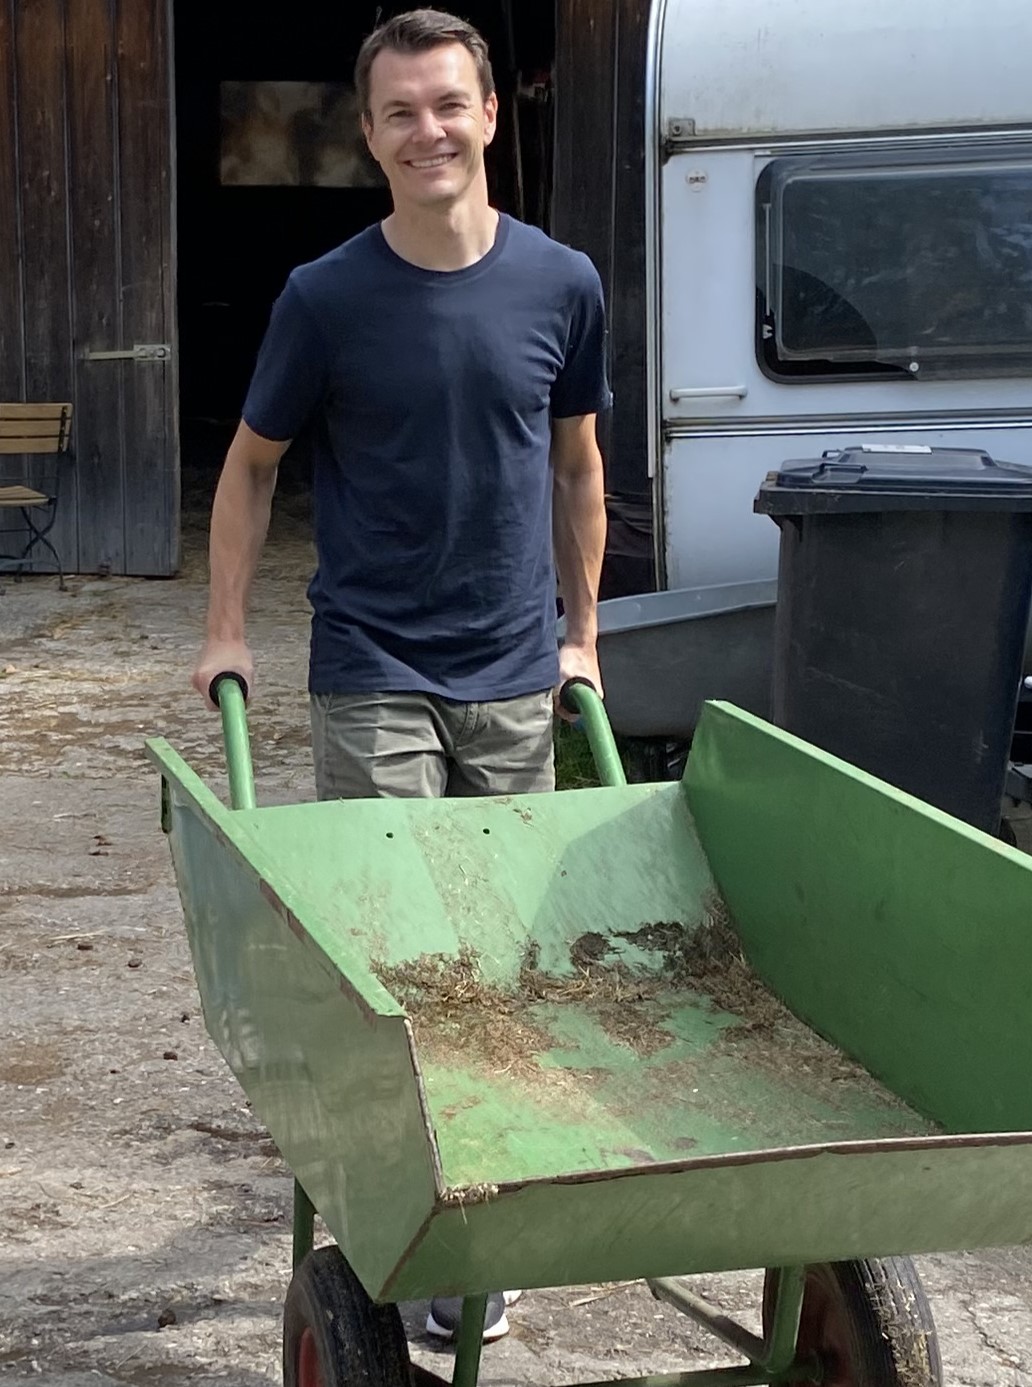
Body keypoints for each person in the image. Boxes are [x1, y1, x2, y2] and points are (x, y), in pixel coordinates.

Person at [189, 7, 609, 1343]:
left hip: (511, 666)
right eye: (399, 113)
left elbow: (577, 466)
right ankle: (432, 1229)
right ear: (368, 137)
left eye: (447, 104)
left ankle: (495, 1198)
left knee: (505, 951)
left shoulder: (562, 284)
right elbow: (249, 468)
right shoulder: (326, 298)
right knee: (409, 953)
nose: (428, 131)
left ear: (490, 115)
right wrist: (225, 629)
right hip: (372, 662)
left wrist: (583, 634)